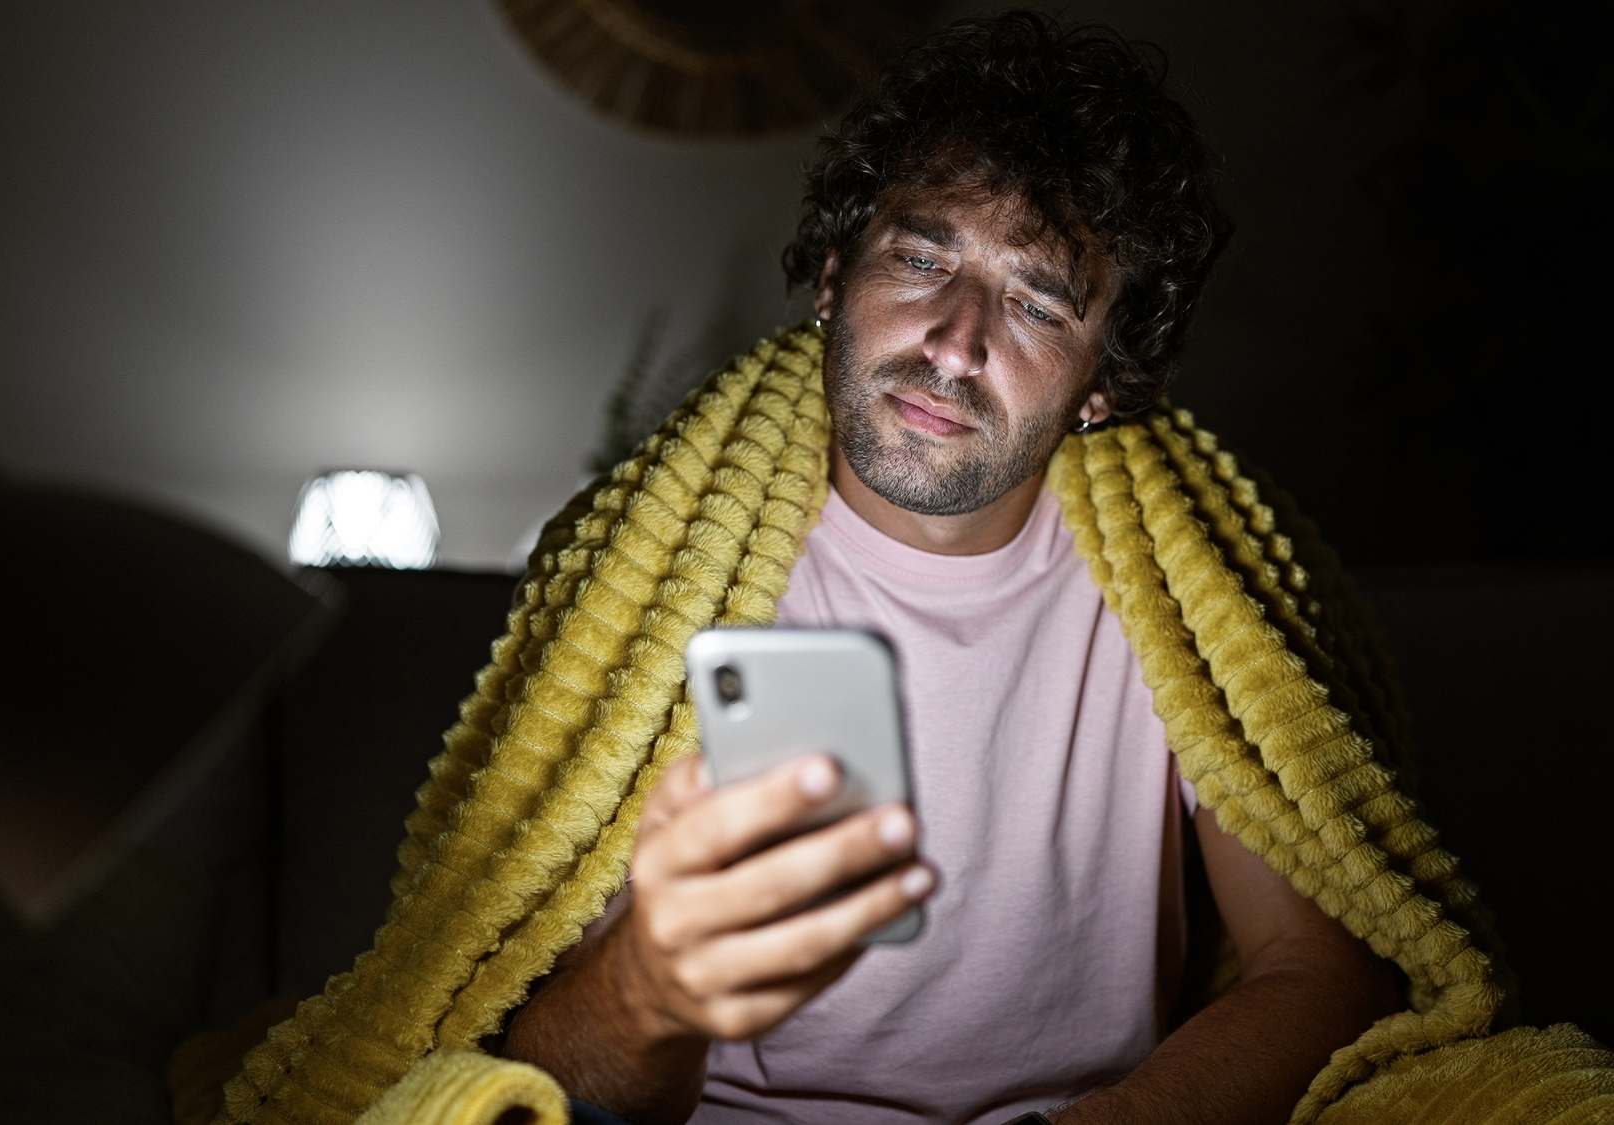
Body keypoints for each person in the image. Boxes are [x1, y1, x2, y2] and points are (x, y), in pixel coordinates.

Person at [500, 12, 1400, 1124]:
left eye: (1035, 301)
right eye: (921, 258)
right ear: (832, 279)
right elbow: (527, 1065)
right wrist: (649, 989)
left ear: (1102, 385)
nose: (954, 340)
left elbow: (1322, 972)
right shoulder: (656, 576)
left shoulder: (1183, 600)